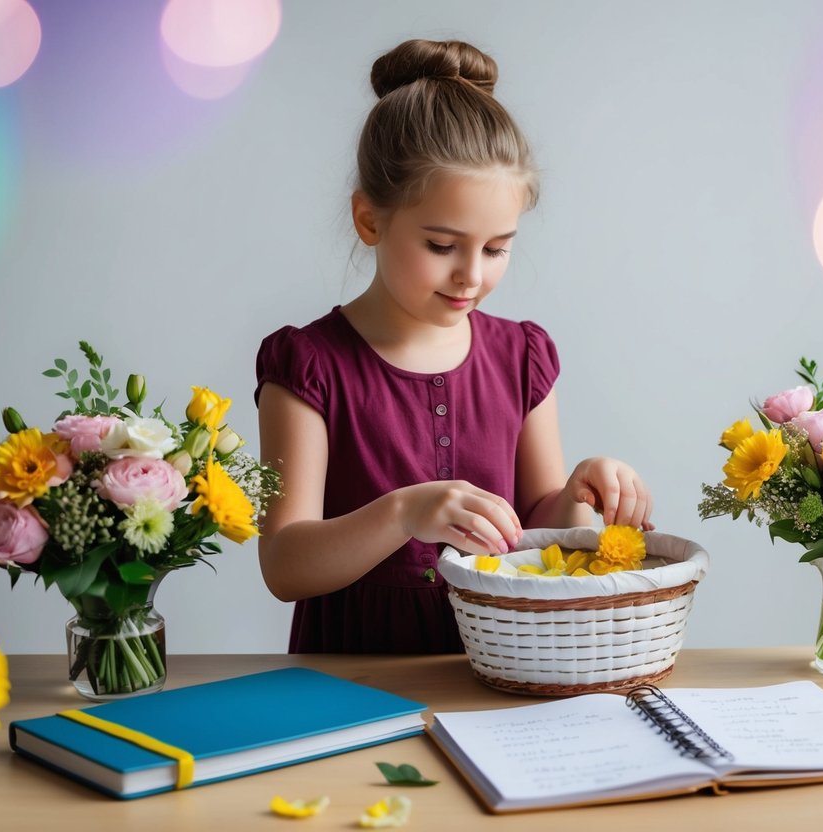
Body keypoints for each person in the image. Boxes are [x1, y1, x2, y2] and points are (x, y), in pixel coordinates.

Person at [255, 38, 653, 653]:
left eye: (496, 248)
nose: (472, 273)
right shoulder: (309, 366)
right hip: (351, 674)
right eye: (442, 246)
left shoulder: (522, 357)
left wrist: (579, 492)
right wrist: (403, 514)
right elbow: (284, 565)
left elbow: (538, 528)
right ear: (369, 221)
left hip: (498, 664)